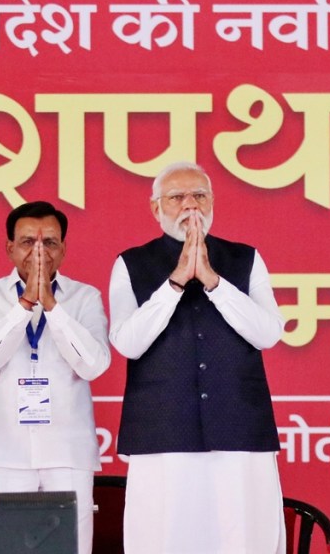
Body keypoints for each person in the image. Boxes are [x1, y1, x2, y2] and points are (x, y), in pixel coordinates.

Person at [109, 161, 286, 553]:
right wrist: (174, 284)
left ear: (213, 203)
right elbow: (127, 342)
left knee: (243, 539)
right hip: (162, 432)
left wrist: (213, 281)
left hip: (239, 430)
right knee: (166, 539)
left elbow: (269, 332)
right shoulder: (130, 263)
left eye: (199, 196)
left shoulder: (245, 258)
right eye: (176, 197)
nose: (190, 206)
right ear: (156, 209)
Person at [0, 201, 110, 554]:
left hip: (68, 452)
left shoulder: (84, 297)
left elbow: (93, 365)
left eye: (50, 243)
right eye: (29, 241)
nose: (40, 251)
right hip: (4, 452)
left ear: (64, 249)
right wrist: (25, 303)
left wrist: (53, 308)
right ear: (10, 247)